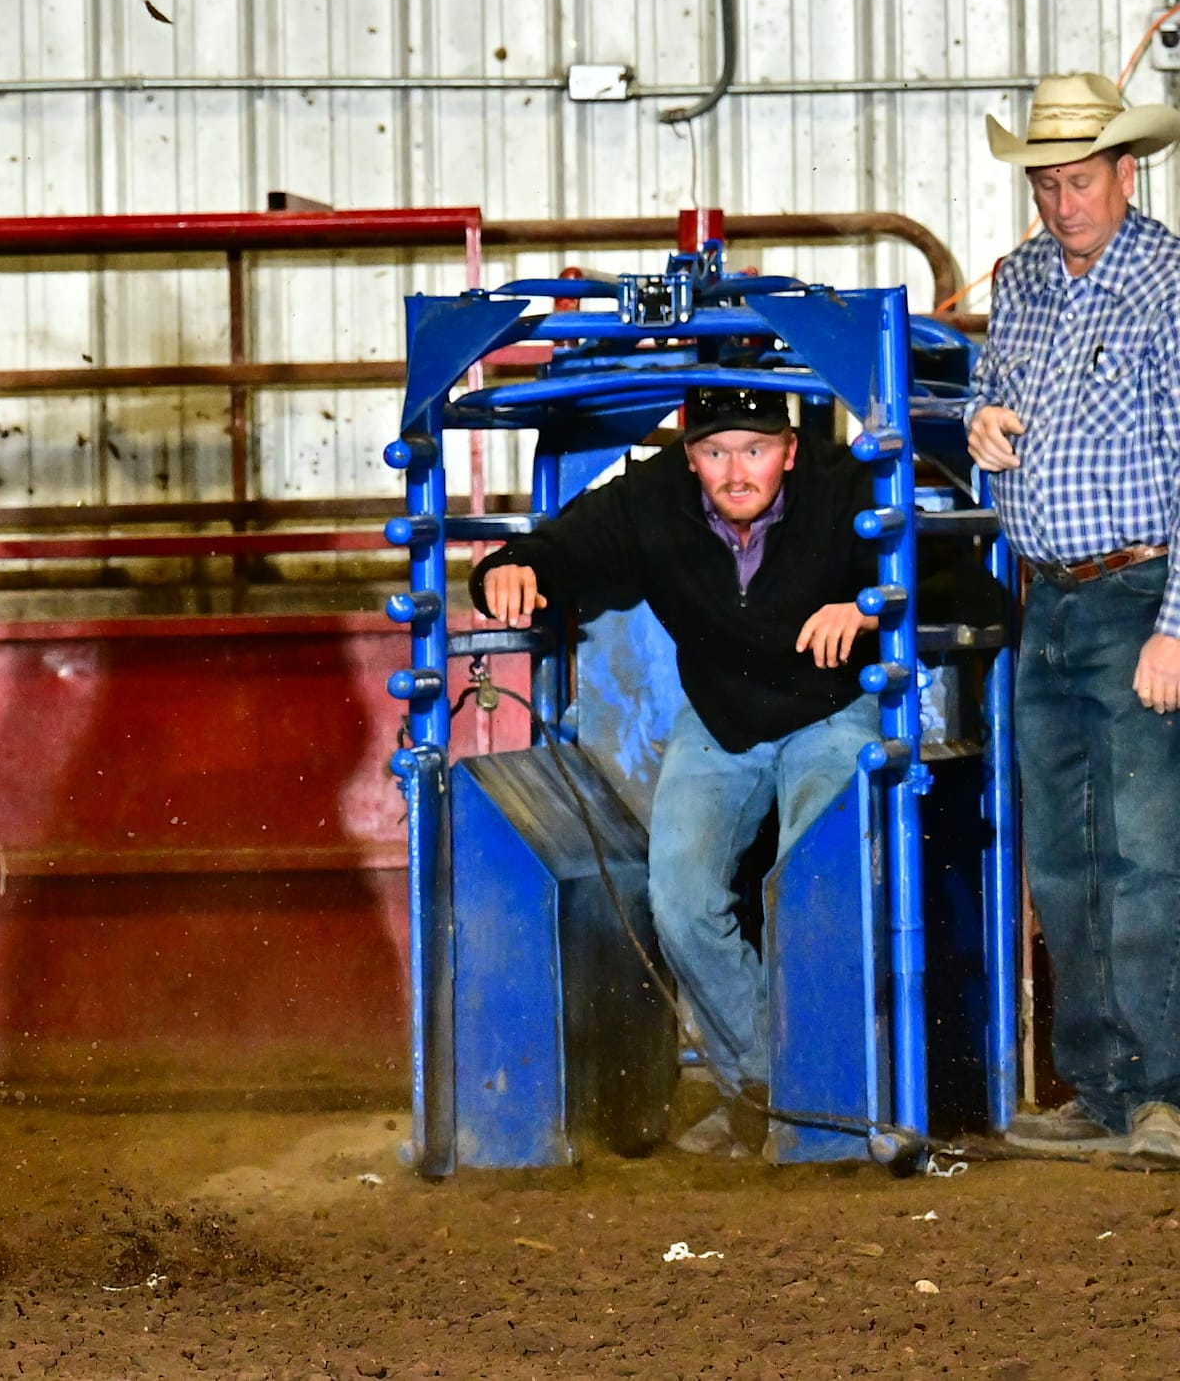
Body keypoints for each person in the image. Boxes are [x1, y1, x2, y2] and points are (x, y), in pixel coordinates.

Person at [472, 387, 885, 1156]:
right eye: (715, 451)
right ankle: (761, 1085)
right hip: (722, 718)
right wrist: (511, 566)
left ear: (789, 451)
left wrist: (866, 605)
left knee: (815, 883)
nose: (736, 470)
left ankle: (824, 1092)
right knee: (679, 896)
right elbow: (562, 548)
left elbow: (944, 570)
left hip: (832, 707)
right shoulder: (651, 497)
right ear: (688, 457)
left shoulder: (846, 487)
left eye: (756, 449)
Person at [965, 71, 1180, 1165]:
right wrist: (981, 418)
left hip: (1141, 592)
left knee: (1144, 853)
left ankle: (1165, 1094)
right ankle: (1102, 1090)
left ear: (1126, 172)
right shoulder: (1023, 281)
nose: (1063, 202)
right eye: (1046, 183)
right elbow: (991, 389)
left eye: (1081, 180)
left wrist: (1177, 625)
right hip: (1045, 598)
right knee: (1062, 857)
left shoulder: (1171, 283)